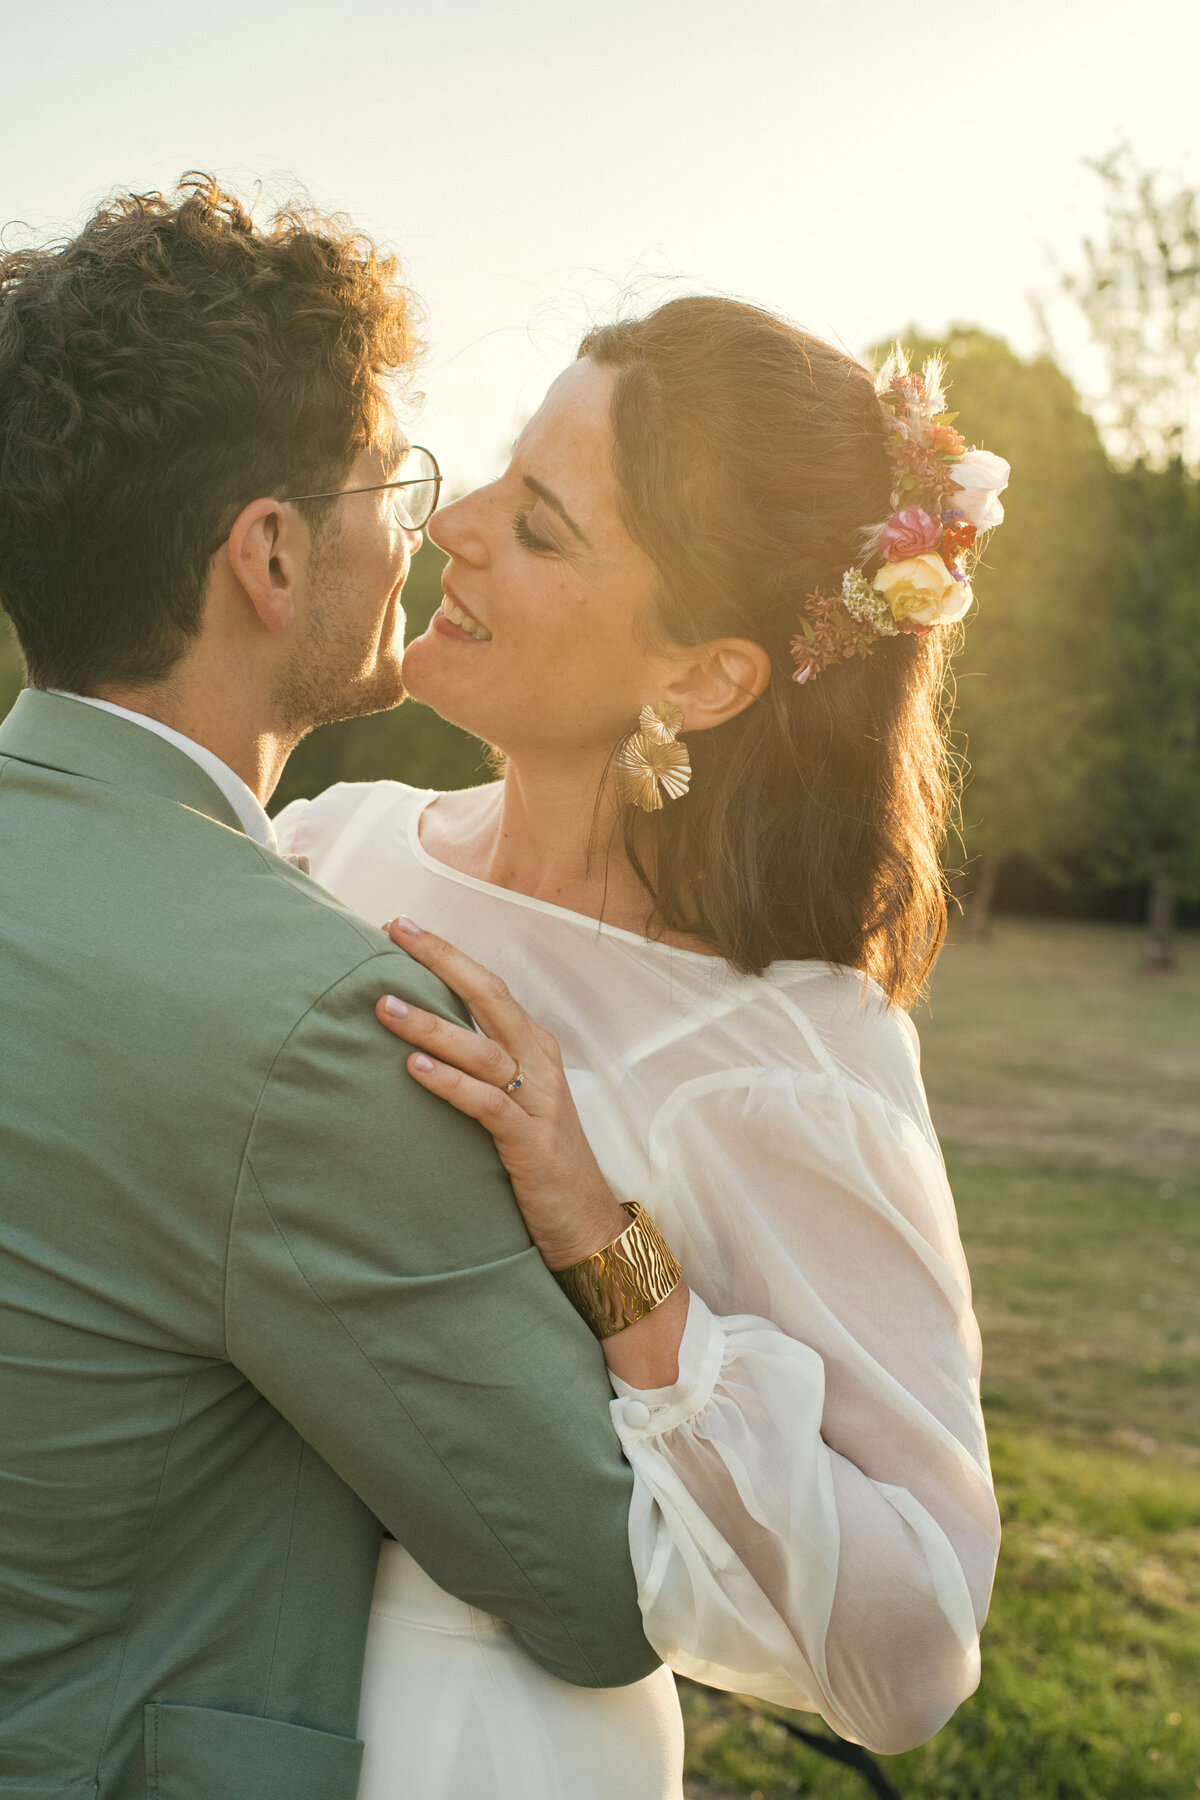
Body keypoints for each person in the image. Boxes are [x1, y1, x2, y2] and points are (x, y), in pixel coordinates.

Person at [277, 299, 1008, 1796]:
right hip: (197, 1697)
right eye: (497, 476)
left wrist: (611, 1251)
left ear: (704, 678)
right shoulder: (322, 851)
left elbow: (915, 1644)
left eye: (541, 530)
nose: (455, 527)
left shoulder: (783, 1057)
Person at [0, 178, 665, 1800]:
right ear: (274, 556)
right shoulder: (315, 1027)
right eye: (393, 479)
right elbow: (601, 1584)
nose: (428, 525)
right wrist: (627, 1257)